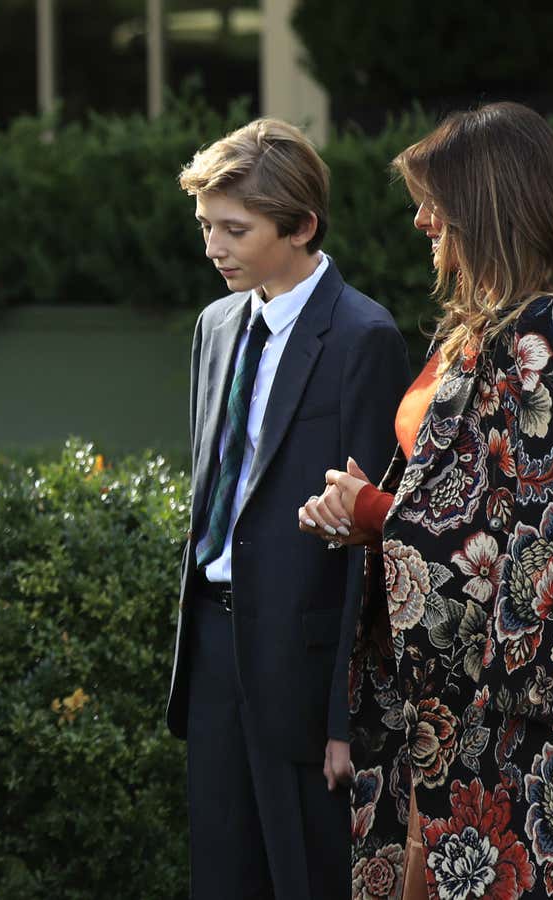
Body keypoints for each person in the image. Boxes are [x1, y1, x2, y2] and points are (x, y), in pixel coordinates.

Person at [300, 102, 553, 899]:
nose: (421, 221)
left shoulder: (548, 336)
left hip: (501, 718)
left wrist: (377, 516)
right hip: (430, 712)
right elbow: (452, 501)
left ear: (487, 205)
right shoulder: (474, 336)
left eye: (434, 202)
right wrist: (368, 514)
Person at [164, 118, 409, 899]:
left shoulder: (363, 337)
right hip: (212, 642)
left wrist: (346, 711)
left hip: (304, 675)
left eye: (235, 229)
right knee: (222, 877)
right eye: (206, 226)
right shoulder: (214, 325)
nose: (214, 247)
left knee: (306, 880)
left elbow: (371, 539)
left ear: (301, 226)